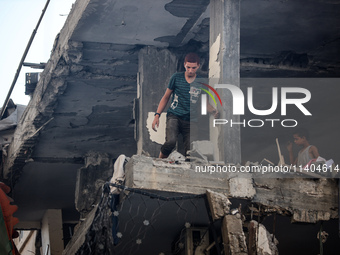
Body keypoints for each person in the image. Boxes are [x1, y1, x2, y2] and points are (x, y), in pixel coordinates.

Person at [152, 53, 218, 158]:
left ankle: (188, 171)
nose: (191, 70)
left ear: (198, 66)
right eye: (188, 67)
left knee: (191, 150)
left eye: (194, 68)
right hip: (174, 115)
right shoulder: (176, 77)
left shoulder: (202, 82)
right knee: (171, 142)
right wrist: (157, 115)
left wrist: (214, 111)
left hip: (192, 120)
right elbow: (166, 97)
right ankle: (159, 162)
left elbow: (205, 103)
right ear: (184, 65)